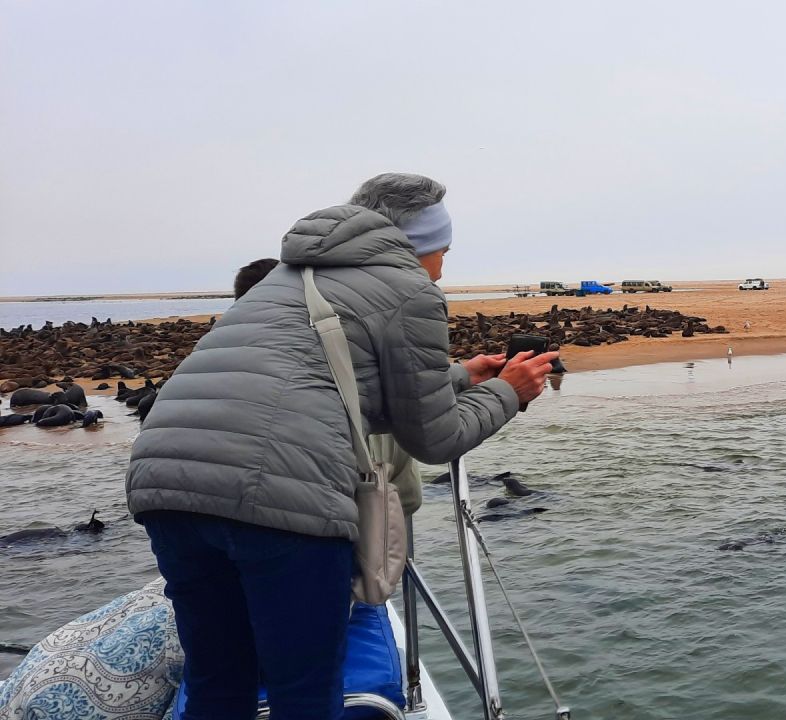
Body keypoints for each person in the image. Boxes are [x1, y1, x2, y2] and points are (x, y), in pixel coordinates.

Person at [126, 173, 556, 719]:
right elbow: (435, 438)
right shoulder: (411, 289)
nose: (443, 269)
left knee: (218, 681)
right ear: (420, 244)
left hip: (164, 482)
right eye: (444, 252)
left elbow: (322, 382)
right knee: (305, 695)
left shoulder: (286, 275)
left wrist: (461, 376)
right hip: (280, 494)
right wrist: (510, 392)